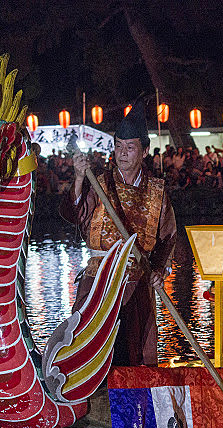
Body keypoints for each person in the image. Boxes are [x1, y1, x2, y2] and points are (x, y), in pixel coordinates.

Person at [59, 103, 176, 366]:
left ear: (144, 151)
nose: (122, 154)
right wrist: (79, 178)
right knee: (89, 350)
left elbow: (167, 239)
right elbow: (77, 215)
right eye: (118, 146)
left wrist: (159, 271)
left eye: (130, 147)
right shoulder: (100, 183)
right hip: (98, 279)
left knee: (135, 354)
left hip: (137, 282)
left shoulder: (158, 192)